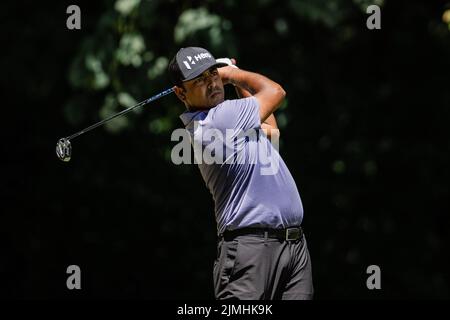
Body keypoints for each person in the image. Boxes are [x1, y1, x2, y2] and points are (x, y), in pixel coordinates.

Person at [168, 47, 313, 300]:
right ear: (180, 92)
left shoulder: (231, 119)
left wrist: (232, 79)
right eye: (199, 79)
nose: (212, 83)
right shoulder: (218, 120)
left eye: (213, 73)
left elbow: (270, 129)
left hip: (292, 245)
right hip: (251, 249)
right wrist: (233, 74)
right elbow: (276, 92)